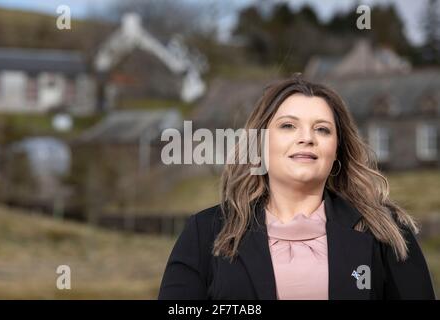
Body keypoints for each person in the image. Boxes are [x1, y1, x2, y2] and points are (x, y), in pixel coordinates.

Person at [158, 75, 436, 300]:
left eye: (322, 129)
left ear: (337, 151)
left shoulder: (386, 231)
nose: (307, 138)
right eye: (289, 126)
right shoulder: (204, 232)